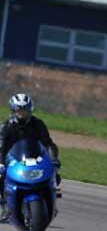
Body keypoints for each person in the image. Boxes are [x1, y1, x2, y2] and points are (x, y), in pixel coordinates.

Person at [0, 93, 61, 222]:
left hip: (35, 159)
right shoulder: (7, 126)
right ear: (13, 110)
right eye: (19, 110)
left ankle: (51, 203)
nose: (22, 113)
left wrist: (53, 158)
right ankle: (4, 206)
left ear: (30, 109)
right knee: (1, 176)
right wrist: (1, 163)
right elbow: (1, 146)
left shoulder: (37, 124)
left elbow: (48, 143)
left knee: (55, 175)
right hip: (13, 160)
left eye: (25, 109)